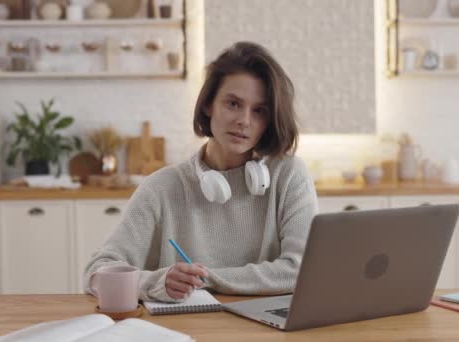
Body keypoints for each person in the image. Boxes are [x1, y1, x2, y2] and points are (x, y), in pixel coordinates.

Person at [84, 41, 318, 302]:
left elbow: (302, 270)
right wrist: (156, 282)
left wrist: (206, 278)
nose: (244, 120)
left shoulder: (288, 175)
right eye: (233, 104)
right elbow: (97, 273)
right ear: (208, 104)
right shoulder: (162, 187)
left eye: (259, 111)